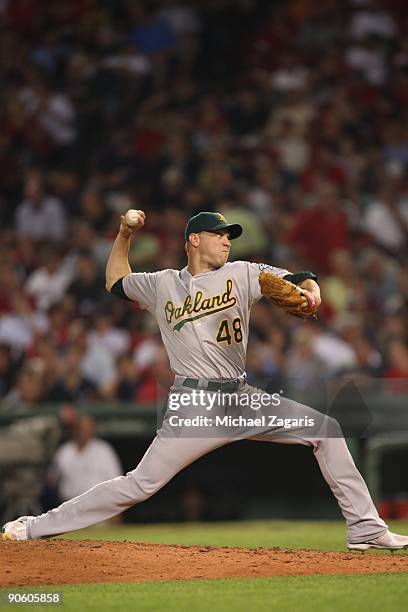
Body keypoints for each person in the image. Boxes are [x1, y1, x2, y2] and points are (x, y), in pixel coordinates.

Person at [3, 211, 408, 551]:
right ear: (194, 240)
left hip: (241, 396)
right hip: (193, 404)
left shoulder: (243, 273)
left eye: (230, 235)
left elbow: (299, 276)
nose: (227, 241)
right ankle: (36, 526)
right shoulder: (162, 283)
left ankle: (365, 529)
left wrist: (311, 289)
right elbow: (114, 280)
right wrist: (125, 234)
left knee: (328, 430)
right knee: (139, 485)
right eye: (219, 235)